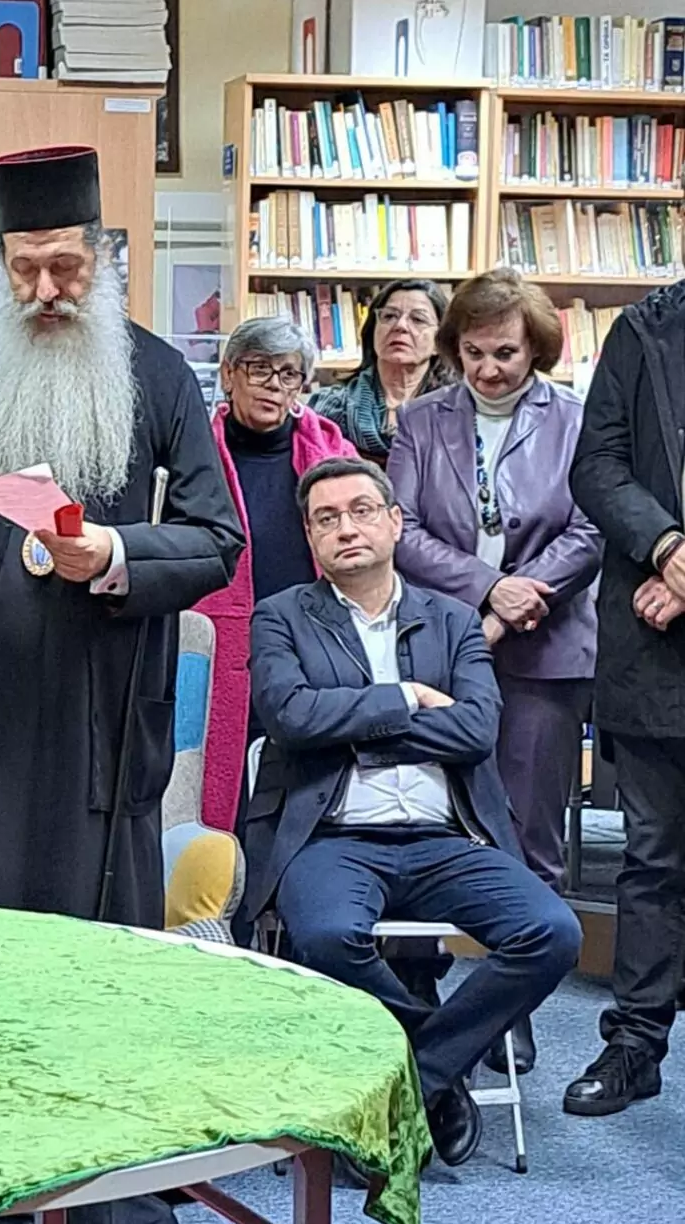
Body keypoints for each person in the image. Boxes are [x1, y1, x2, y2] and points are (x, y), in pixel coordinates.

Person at [0, 145, 244, 928]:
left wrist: (115, 554)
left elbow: (216, 540)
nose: (44, 292)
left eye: (65, 268)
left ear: (101, 258)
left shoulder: (161, 375)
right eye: (25, 270)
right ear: (1, 265)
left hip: (102, 730)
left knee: (96, 969)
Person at [243, 458, 581, 1167]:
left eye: (362, 510)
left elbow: (476, 730)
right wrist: (408, 698)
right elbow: (291, 716)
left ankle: (419, 1075)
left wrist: (355, 727)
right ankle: (438, 1070)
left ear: (396, 522)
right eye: (327, 518)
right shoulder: (281, 617)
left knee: (552, 933)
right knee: (326, 936)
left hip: (446, 836)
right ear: (311, 538)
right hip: (332, 836)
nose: (346, 528)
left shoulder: (452, 619)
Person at [387, 269, 601, 1074]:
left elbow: (590, 529)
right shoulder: (422, 420)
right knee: (426, 816)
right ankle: (418, 985)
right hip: (441, 643)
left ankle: (514, 1006)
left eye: (505, 354)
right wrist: (486, 587)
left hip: (546, 653)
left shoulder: (574, 419)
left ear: (536, 348)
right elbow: (403, 530)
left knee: (528, 833)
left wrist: (517, 599)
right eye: (473, 353)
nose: (488, 370)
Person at [563, 281, 685, 1116]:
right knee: (653, 857)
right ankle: (636, 1045)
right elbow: (597, 466)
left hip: (665, 599)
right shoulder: (643, 331)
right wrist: (668, 545)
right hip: (655, 653)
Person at [197, 315, 357, 834]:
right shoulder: (195, 450)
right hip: (219, 641)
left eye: (288, 373)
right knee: (220, 784)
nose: (273, 385)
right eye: (259, 369)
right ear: (228, 374)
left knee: (305, 789)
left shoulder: (332, 453)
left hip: (309, 643)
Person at [310, 279, 455, 464]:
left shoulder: (456, 410)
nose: (400, 326)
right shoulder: (331, 407)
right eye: (389, 316)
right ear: (373, 330)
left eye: (418, 319)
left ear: (439, 342)